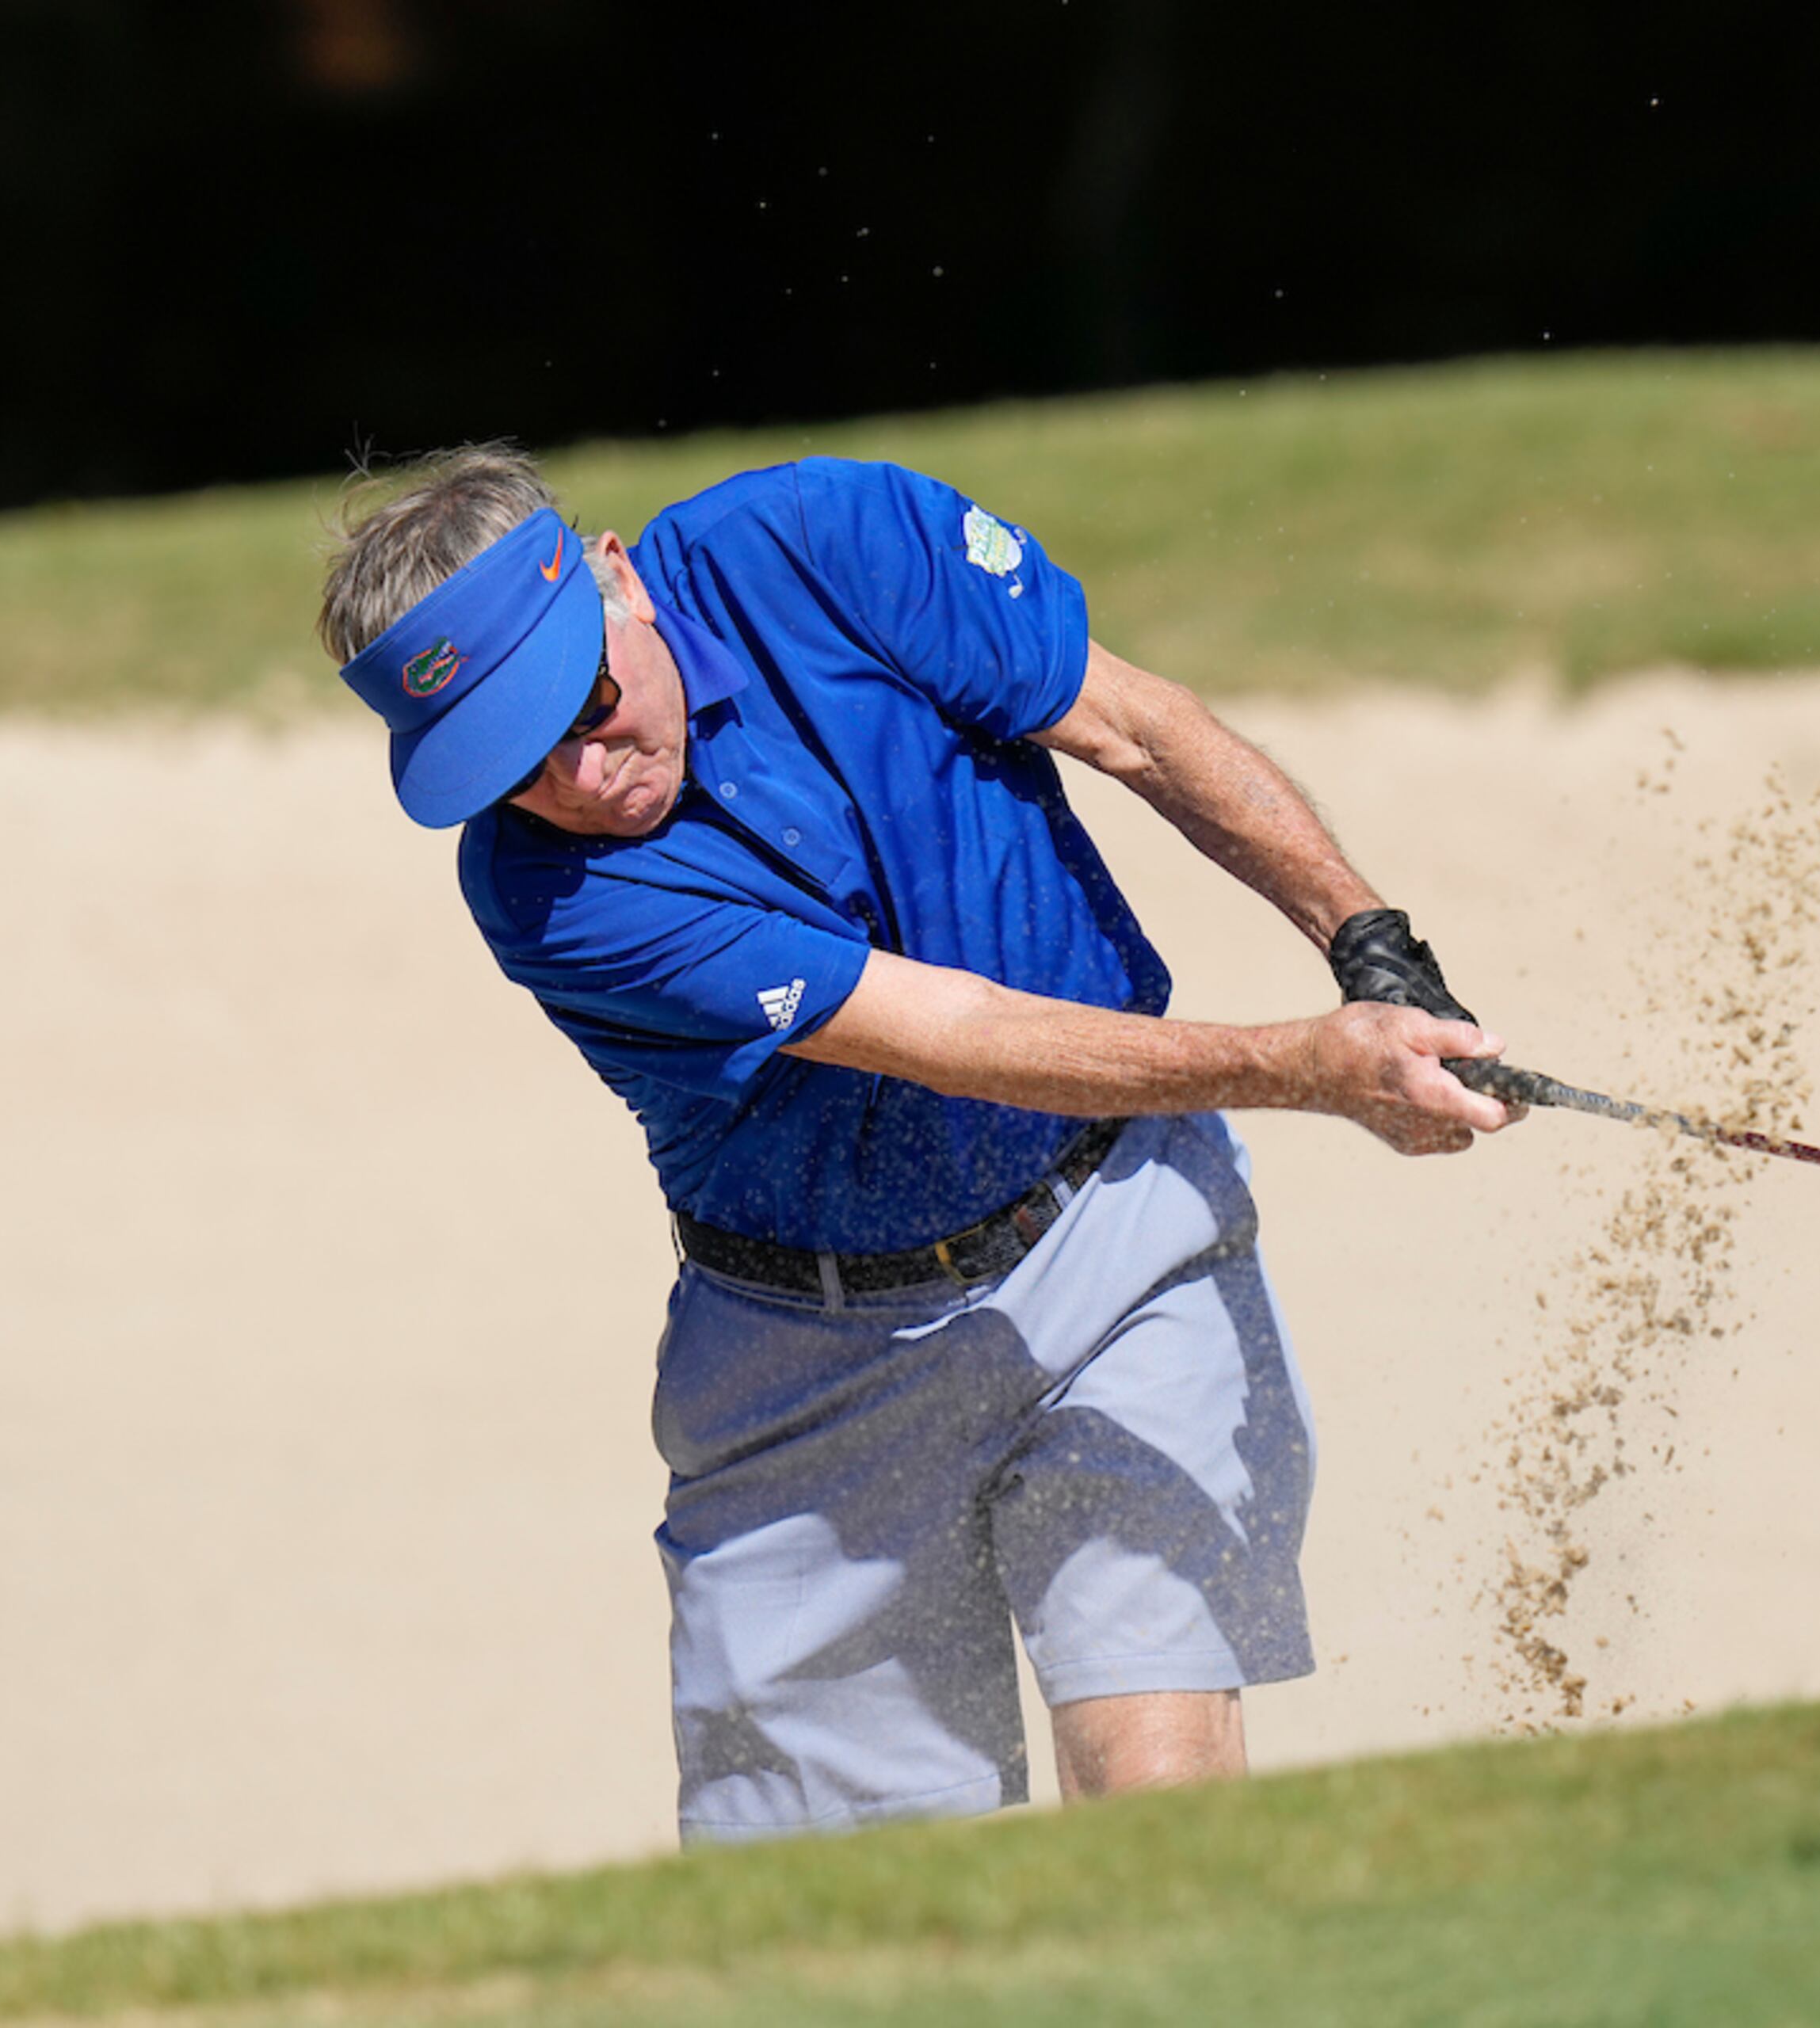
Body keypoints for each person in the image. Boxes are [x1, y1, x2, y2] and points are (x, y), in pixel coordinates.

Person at [317, 444, 1514, 1840]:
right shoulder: (548, 899)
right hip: (805, 1373)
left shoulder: (826, 537)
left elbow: (1137, 727)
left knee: (1160, 1811)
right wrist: (1300, 1068)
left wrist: (1368, 947)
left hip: (1114, 1234)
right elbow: (950, 1033)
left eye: (582, 704)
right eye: (520, 765)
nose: (585, 775)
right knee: (838, 1930)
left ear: (615, 578)